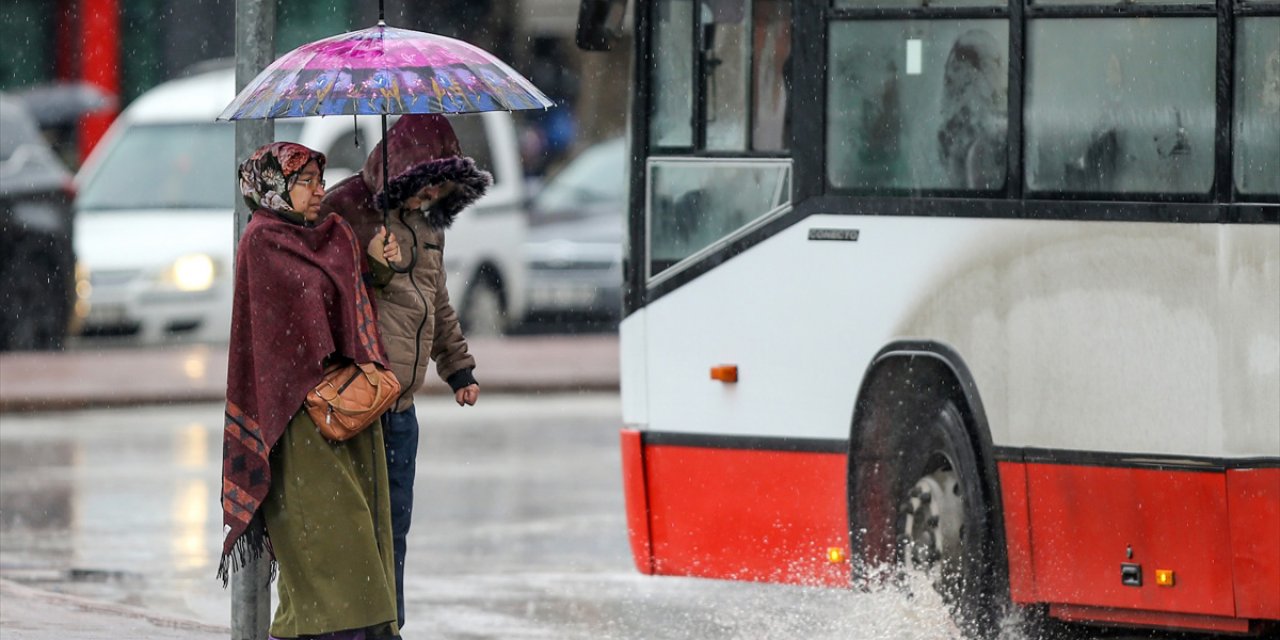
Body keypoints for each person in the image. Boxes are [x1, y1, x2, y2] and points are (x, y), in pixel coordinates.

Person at [219, 141, 403, 640]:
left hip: (353, 417)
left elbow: (350, 301)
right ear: (275, 188)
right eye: (306, 182)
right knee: (328, 563)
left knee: (362, 559)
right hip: (300, 428)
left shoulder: (334, 234)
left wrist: (377, 264)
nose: (320, 190)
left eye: (320, 180)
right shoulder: (262, 243)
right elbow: (277, 347)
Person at [319, 114, 489, 633]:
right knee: (355, 528)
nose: (433, 193)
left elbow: (436, 301)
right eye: (425, 182)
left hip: (402, 410)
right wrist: (375, 264)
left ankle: (388, 625)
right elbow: (328, 293)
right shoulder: (350, 210)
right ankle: (353, 625)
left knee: (395, 526)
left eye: (443, 184)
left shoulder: (430, 226)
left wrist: (458, 368)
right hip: (361, 401)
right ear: (405, 173)